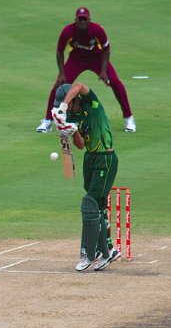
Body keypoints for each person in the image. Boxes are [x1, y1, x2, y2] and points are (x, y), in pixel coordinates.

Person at [52, 82, 123, 272]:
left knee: (89, 202)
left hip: (105, 158)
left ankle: (89, 254)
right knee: (97, 206)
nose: (66, 110)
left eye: (68, 105)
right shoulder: (73, 116)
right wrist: (71, 131)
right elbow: (81, 145)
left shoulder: (92, 104)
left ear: (74, 100)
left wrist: (62, 106)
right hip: (90, 158)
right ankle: (108, 251)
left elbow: (80, 85)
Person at [37, 7, 135, 133]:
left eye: (84, 19)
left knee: (115, 82)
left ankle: (129, 117)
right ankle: (47, 121)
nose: (82, 22)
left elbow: (106, 49)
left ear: (89, 20)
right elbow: (59, 52)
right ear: (75, 20)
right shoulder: (68, 31)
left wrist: (104, 71)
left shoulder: (97, 30)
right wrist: (61, 74)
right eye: (80, 19)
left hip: (97, 59)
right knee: (59, 86)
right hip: (76, 59)